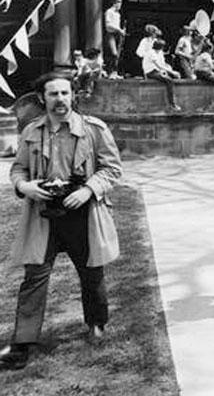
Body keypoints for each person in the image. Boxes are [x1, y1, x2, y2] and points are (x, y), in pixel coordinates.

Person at [0, 72, 122, 370]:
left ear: (73, 95)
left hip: (83, 212)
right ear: (42, 98)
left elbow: (113, 169)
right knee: (34, 277)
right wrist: (24, 187)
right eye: (53, 94)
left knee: (91, 272)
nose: (60, 100)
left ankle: (96, 322)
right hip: (43, 215)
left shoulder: (93, 129)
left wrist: (88, 190)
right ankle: (23, 342)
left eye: (65, 94)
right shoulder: (31, 131)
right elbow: (18, 169)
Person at [143, 39, 181, 111]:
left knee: (172, 76)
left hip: (156, 70)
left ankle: (173, 98)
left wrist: (169, 71)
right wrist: (172, 72)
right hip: (150, 72)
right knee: (169, 80)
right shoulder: (151, 53)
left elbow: (162, 64)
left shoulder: (158, 52)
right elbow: (159, 66)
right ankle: (172, 104)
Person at [193, 41, 214, 111]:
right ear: (209, 49)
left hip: (198, 73)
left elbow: (210, 62)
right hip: (203, 73)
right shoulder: (206, 55)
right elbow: (211, 66)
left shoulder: (201, 55)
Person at [103, 0, 126, 79]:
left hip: (117, 35)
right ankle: (109, 72)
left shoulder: (118, 14)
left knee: (118, 55)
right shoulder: (109, 12)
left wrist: (121, 32)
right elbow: (108, 25)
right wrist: (119, 29)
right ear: (114, 3)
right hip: (111, 35)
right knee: (113, 53)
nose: (120, 5)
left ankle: (115, 72)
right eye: (119, 3)